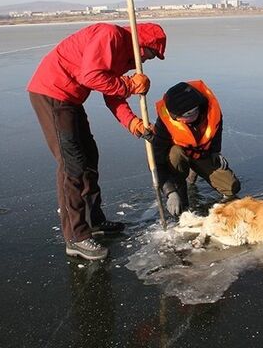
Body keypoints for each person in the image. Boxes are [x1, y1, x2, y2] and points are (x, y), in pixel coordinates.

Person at [27, 22, 166, 261]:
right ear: (139, 44)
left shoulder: (123, 54)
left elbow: (113, 95)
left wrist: (133, 123)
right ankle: (76, 237)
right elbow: (91, 76)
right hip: (52, 93)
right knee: (72, 165)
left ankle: (94, 220)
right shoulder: (109, 35)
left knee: (90, 156)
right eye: (149, 54)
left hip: (71, 99)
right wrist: (130, 85)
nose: (146, 61)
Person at [150, 80, 240, 216]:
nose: (179, 121)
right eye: (177, 119)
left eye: (182, 118)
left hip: (201, 154)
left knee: (232, 187)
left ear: (193, 112)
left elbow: (216, 131)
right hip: (178, 159)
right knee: (175, 153)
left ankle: (194, 170)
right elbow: (158, 162)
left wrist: (215, 151)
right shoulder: (164, 123)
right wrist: (170, 191)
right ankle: (180, 188)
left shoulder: (211, 110)